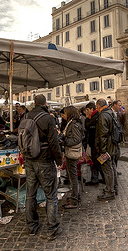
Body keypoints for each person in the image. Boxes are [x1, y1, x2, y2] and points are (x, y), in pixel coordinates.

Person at [24, 94, 63, 240]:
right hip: (44, 159)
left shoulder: (26, 116)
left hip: (29, 159)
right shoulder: (48, 118)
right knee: (51, 196)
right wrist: (58, 160)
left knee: (30, 194)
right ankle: (52, 228)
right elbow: (54, 142)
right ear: (45, 103)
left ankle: (32, 226)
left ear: (34, 103)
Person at [60, 106, 85, 209]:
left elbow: (76, 139)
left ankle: (74, 199)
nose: (63, 116)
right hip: (71, 151)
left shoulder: (74, 124)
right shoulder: (73, 123)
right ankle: (75, 196)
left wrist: (64, 141)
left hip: (72, 152)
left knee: (73, 176)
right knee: (72, 176)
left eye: (65, 113)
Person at [96, 98, 118, 201]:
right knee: (112, 166)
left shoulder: (103, 115)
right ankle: (114, 187)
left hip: (107, 146)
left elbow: (103, 134)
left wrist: (102, 150)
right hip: (112, 144)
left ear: (99, 106)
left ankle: (110, 191)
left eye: (97, 107)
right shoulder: (111, 113)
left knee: (107, 168)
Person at [84, 101, 103, 186]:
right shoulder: (96, 116)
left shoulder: (95, 117)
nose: (86, 111)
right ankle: (100, 178)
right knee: (97, 161)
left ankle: (95, 178)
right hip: (95, 143)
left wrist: (87, 118)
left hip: (96, 144)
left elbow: (88, 127)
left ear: (92, 109)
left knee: (96, 161)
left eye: (88, 109)